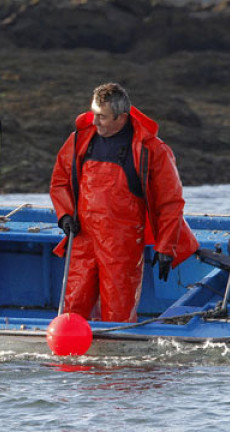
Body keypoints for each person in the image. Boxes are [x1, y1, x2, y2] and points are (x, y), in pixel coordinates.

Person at [49, 83, 199, 323]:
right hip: (82, 237)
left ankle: (119, 359)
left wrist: (165, 248)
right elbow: (59, 182)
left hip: (123, 243)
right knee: (72, 308)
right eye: (93, 114)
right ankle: (72, 357)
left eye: (102, 117)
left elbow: (170, 203)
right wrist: (65, 215)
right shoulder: (79, 140)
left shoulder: (153, 149)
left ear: (121, 117)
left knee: (118, 314)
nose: (95, 122)